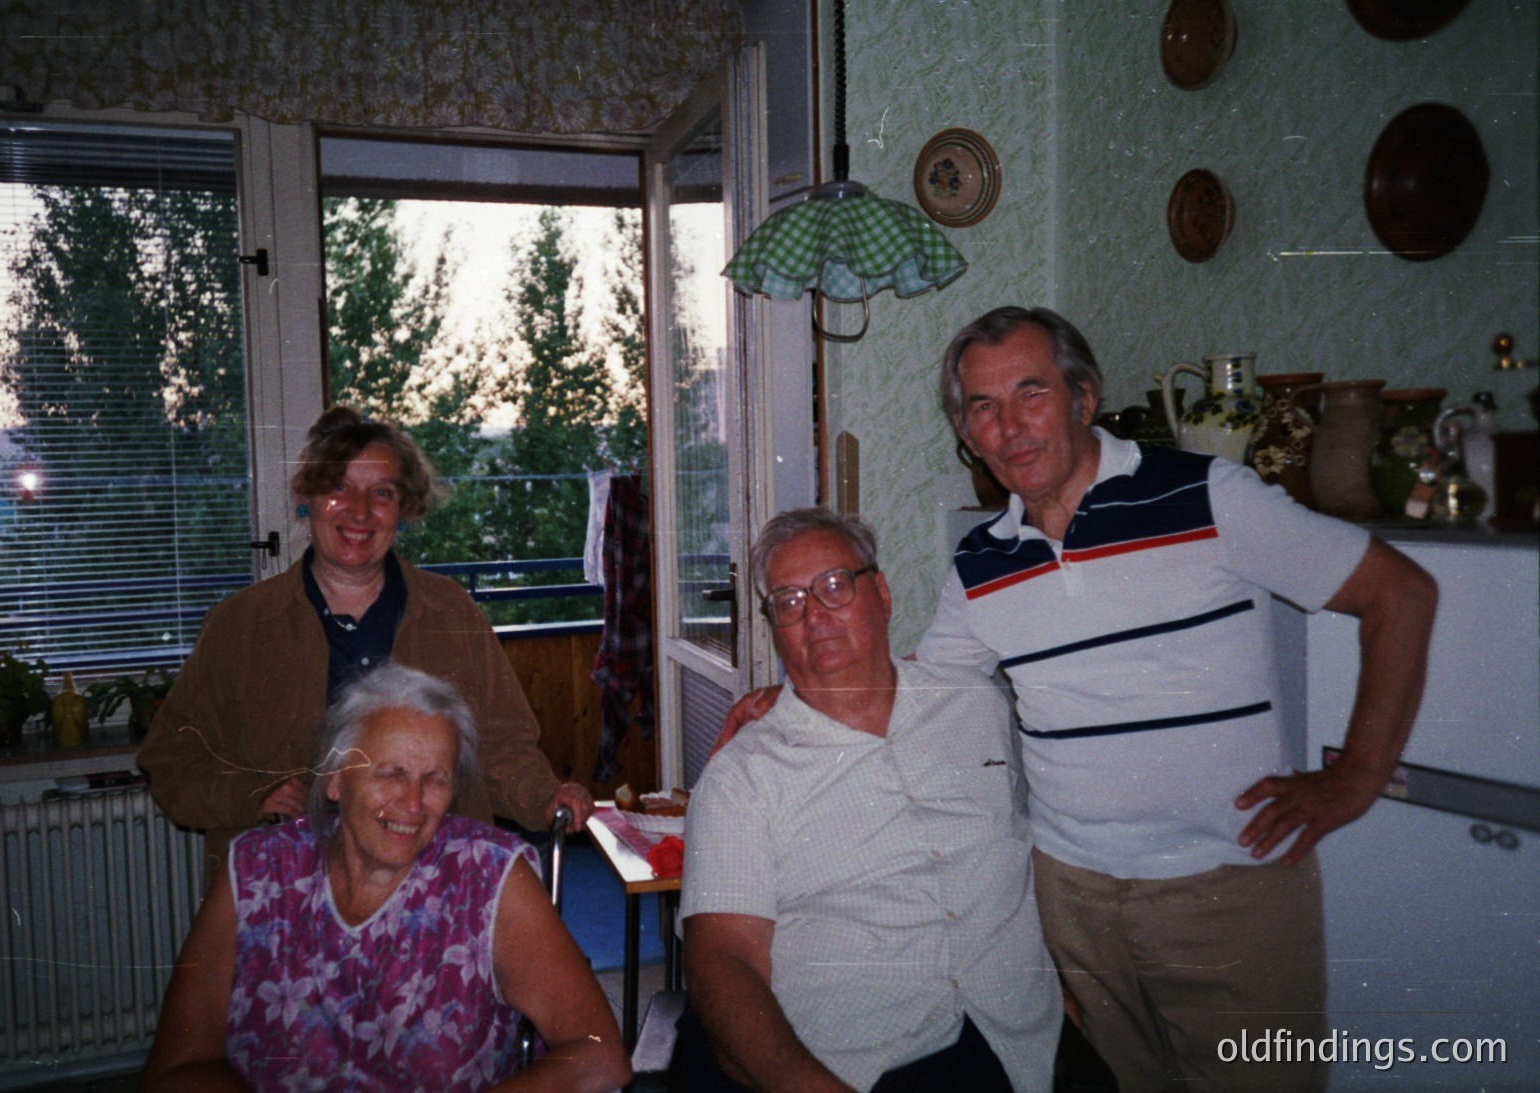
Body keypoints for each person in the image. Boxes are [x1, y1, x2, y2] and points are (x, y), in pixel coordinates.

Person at [722, 308, 1439, 1091]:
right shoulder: (981, 562)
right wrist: (786, 697)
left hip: (1228, 886)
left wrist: (1358, 775)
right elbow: (910, 680)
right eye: (981, 408)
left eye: (1029, 393)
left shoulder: (1209, 497)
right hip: (1070, 900)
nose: (1009, 427)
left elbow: (1399, 594)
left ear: (1083, 398)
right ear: (965, 432)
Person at [681, 508, 1061, 1093]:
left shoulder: (977, 706)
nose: (814, 616)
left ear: (881, 593)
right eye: (788, 600)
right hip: (857, 1063)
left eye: (835, 586)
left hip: (1022, 1038)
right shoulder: (741, 779)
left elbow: (1028, 851)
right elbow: (722, 963)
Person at [139, 407, 593, 879]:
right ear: (306, 495)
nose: (359, 511)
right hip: (286, 896)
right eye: (339, 487)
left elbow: (500, 748)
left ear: (404, 507)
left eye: (381, 493)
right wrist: (251, 795)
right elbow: (172, 760)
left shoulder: (451, 612)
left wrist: (544, 796)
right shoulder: (239, 626)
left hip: (434, 888)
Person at [142, 663, 630, 1092]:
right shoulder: (255, 872)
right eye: (390, 774)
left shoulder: (488, 877)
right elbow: (176, 1069)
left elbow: (599, 1054)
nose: (413, 805)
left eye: (435, 779)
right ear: (334, 779)